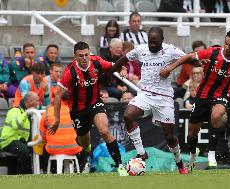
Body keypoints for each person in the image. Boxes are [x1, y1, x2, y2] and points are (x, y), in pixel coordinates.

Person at [159, 30, 230, 169]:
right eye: (226, 43)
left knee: (217, 115)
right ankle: (193, 153)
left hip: (222, 93)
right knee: (192, 134)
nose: (227, 47)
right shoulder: (213, 53)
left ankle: (211, 153)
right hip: (203, 95)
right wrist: (170, 68)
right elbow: (188, 57)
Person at [115, 27, 189, 174]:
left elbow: (190, 57)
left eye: (155, 42)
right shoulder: (140, 50)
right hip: (146, 94)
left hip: (164, 98)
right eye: (150, 42)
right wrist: (121, 67)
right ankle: (141, 152)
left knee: (169, 137)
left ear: (162, 40)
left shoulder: (170, 50)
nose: (152, 45)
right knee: (128, 115)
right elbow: (122, 60)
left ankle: (180, 163)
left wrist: (171, 68)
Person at [49, 41, 128, 176]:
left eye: (86, 55)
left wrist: (123, 69)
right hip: (77, 110)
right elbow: (57, 96)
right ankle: (87, 152)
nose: (84, 58)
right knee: (84, 143)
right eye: (81, 56)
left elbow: (115, 66)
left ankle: (120, 166)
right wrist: (56, 120)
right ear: (75, 56)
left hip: (95, 103)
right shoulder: (70, 72)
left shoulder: (97, 62)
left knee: (104, 130)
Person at [39, 93, 87, 173]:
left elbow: (43, 135)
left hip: (53, 149)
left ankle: (48, 171)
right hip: (73, 148)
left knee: (45, 147)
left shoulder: (47, 112)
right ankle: (77, 170)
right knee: (86, 148)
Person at [0, 92, 40, 174]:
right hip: (8, 142)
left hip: (18, 141)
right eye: (37, 100)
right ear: (30, 102)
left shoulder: (28, 113)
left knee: (36, 148)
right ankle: (21, 177)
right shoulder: (15, 111)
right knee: (24, 150)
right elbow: (15, 125)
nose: (39, 103)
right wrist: (26, 113)